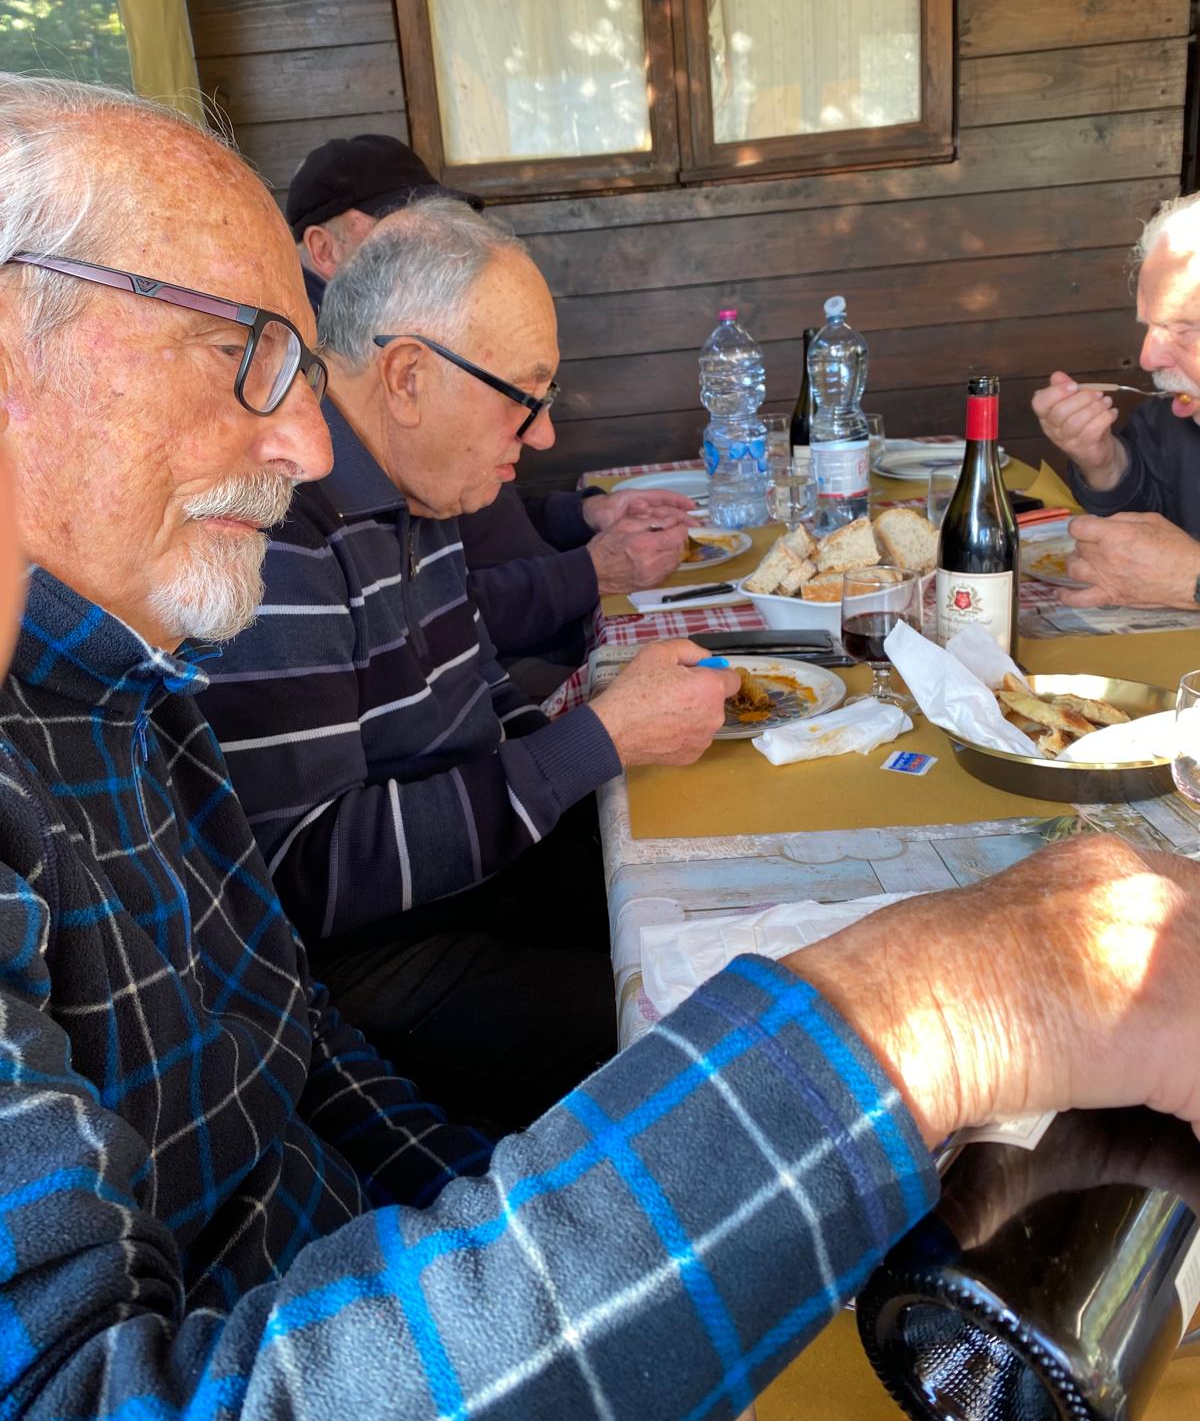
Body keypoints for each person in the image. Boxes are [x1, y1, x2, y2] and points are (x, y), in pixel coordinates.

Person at [5, 75, 1200, 1421]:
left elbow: (300, 1052)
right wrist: (919, 1012)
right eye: (243, 351)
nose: (302, 439)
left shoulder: (130, 692)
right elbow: (108, 1389)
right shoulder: (230, 592)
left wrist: (508, 1201)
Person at [201, 198, 735, 1129]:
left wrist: (594, 755)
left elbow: (479, 686)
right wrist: (595, 742)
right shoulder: (279, 530)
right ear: (407, 377)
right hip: (374, 967)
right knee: (717, 1045)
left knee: (723, 904)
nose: (543, 435)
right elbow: (307, 872)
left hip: (486, 879)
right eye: (523, 397)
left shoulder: (421, 488)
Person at [287, 132, 693, 688]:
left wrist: (583, 514)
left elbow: (485, 533)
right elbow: (431, 625)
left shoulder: (425, 427)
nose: (438, 238)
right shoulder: (335, 433)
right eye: (401, 226)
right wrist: (591, 572)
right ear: (323, 249)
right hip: (530, 652)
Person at [1033, 192, 1200, 609]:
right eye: (1151, 327)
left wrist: (1191, 579)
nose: (1148, 358)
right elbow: (1155, 523)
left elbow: (1180, 568)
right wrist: (1105, 463)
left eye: (1185, 329)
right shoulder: (1168, 419)